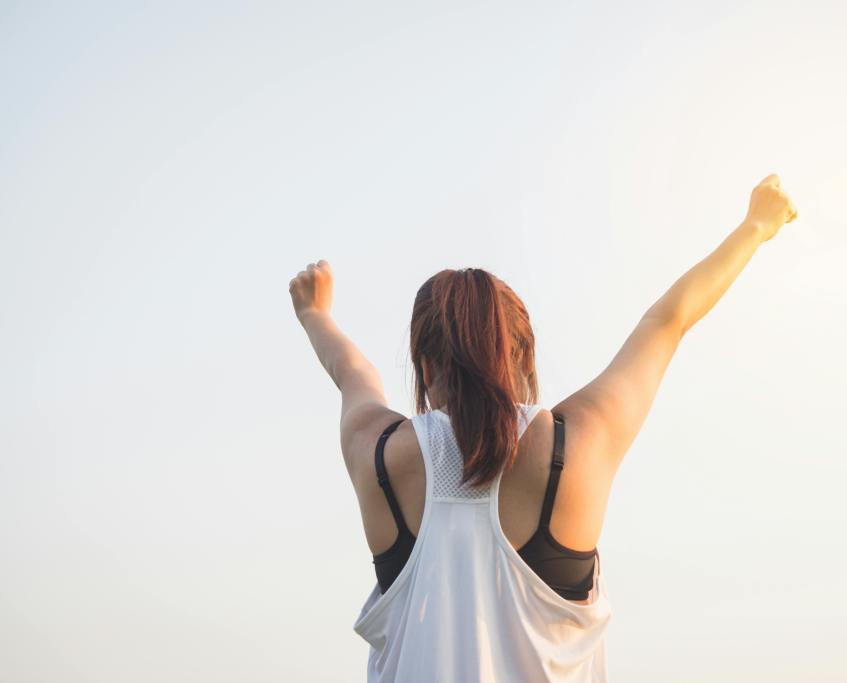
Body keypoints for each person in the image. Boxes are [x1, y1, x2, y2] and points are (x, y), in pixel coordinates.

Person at [288, 173, 799, 682]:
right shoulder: (577, 444)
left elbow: (353, 373)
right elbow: (667, 322)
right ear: (525, 357)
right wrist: (755, 226)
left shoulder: (377, 455)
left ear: (423, 367)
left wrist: (315, 312)